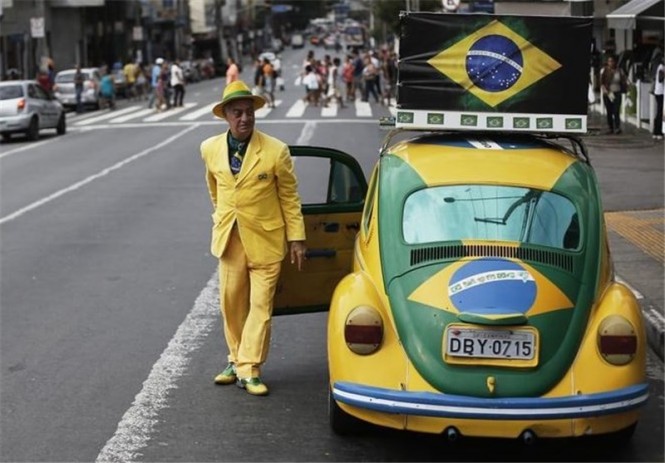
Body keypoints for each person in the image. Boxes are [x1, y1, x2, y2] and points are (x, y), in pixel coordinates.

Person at [200, 80, 307, 396]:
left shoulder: (275, 151)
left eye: (249, 112)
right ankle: (235, 360)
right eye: (237, 112)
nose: (244, 118)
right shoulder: (209, 148)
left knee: (261, 306)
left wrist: (297, 239)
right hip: (230, 239)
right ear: (226, 116)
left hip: (267, 241)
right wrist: (222, 217)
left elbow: (289, 197)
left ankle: (250, 368)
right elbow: (215, 189)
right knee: (231, 304)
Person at [600, 55, 627, 134]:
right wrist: (604, 89)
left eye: (612, 61)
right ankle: (610, 127)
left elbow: (623, 80)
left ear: (615, 62)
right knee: (609, 111)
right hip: (608, 93)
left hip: (617, 92)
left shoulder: (619, 70)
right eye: (609, 61)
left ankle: (617, 127)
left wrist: (625, 86)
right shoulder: (604, 70)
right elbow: (601, 82)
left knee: (616, 110)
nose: (610, 63)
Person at [652, 57, 664, 141]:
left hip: (660, 92)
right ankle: (657, 132)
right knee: (660, 112)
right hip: (660, 93)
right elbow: (660, 79)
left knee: (660, 112)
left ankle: (657, 131)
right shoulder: (661, 67)